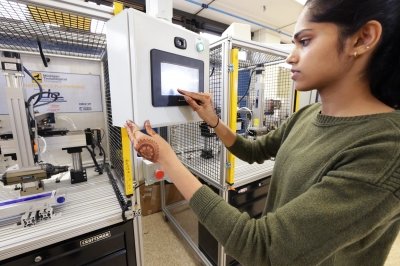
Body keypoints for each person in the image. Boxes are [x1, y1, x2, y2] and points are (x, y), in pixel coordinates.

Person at [125, 0, 400, 265]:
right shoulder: (307, 116)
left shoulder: (386, 149)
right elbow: (252, 151)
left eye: (305, 41)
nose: (291, 56)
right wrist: (213, 120)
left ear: (363, 38)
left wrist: (167, 160)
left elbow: (262, 248)